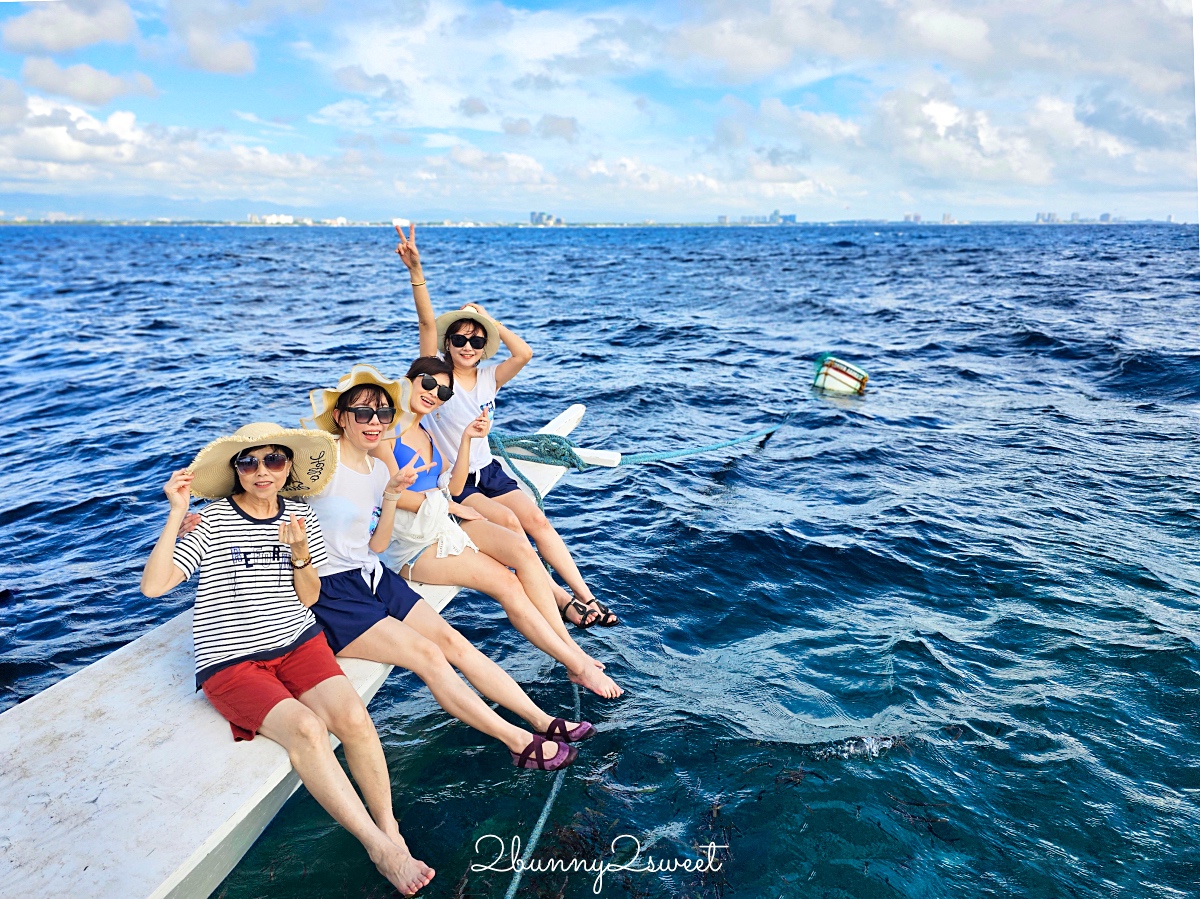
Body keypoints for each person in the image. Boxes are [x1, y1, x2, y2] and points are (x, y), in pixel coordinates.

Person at [139, 422, 434, 896]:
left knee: (355, 718)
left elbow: (310, 594)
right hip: (232, 662)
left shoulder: (301, 517)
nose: (262, 471)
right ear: (236, 470)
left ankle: (389, 827)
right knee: (307, 729)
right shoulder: (213, 519)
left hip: (297, 641)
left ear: (289, 466)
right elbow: (154, 586)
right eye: (249, 461)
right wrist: (176, 515)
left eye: (274, 459)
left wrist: (299, 554)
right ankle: (377, 849)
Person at [302, 365, 601, 769]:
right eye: (363, 413)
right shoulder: (318, 464)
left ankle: (542, 720)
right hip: (330, 592)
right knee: (429, 655)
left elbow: (375, 543)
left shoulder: (375, 470)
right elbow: (263, 492)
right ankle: (516, 741)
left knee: (455, 643)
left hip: (372, 574)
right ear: (340, 416)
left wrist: (390, 498)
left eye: (383, 415)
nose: (375, 423)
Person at [394, 222, 619, 630]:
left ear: (483, 349)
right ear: (448, 345)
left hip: (489, 469)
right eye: (459, 339)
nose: (467, 346)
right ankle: (565, 605)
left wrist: (487, 319)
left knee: (537, 521)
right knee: (513, 528)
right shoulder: (437, 378)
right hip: (456, 479)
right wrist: (416, 273)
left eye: (476, 341)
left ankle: (586, 596)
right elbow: (427, 324)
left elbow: (525, 352)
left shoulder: (489, 377)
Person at [371, 355, 622, 701]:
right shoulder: (385, 434)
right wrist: (449, 505)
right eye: (428, 382)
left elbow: (454, 486)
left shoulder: (427, 431)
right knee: (507, 583)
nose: (434, 393)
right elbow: (391, 496)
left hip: (442, 523)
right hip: (411, 543)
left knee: (521, 551)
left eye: (443, 391)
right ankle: (576, 663)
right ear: (409, 380)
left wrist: (465, 440)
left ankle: (571, 651)